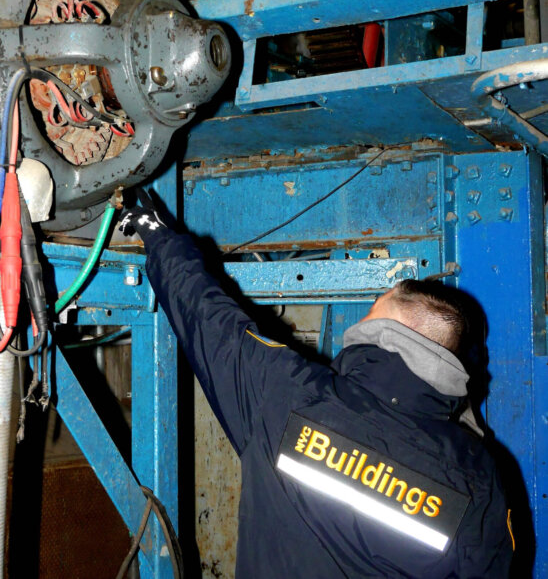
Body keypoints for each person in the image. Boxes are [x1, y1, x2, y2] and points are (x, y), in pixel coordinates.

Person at [119, 197, 514, 578]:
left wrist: (159, 236)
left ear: (389, 334)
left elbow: (210, 319)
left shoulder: (291, 394)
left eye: (375, 307)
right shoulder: (481, 477)